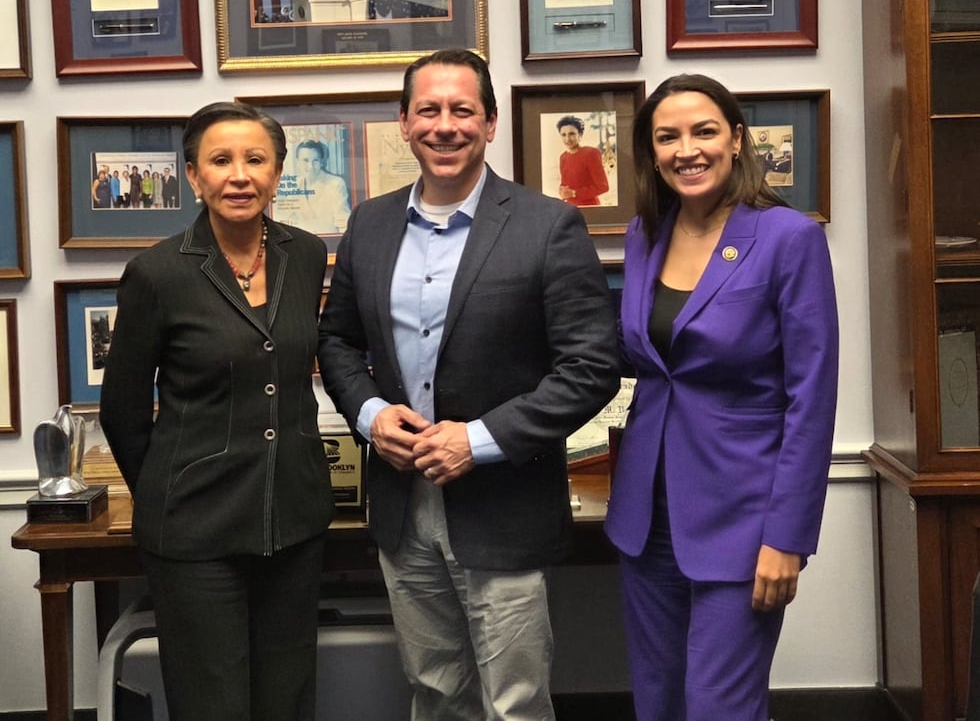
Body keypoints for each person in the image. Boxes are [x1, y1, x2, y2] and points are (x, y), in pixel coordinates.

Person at [318, 48, 620, 721]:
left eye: (462, 110)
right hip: (402, 507)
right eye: (428, 110)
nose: (444, 125)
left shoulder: (548, 225)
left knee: (514, 704)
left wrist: (478, 440)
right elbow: (336, 341)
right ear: (404, 122)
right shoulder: (369, 224)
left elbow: (592, 366)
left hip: (503, 507)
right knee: (434, 693)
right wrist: (370, 416)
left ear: (490, 124)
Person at [604, 74, 839, 721]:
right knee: (660, 704)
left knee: (719, 709)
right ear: (652, 154)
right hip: (645, 516)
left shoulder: (788, 238)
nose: (688, 149)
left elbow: (811, 399)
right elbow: (644, 362)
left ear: (736, 139)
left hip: (742, 519)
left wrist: (787, 537)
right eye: (667, 136)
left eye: (704, 131)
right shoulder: (643, 236)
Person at [99, 102, 335, 721]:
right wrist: (169, 492)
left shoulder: (306, 256)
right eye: (221, 160)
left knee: (288, 700)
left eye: (255, 160)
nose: (239, 175)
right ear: (195, 177)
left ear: (277, 173)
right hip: (194, 531)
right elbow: (123, 411)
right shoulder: (155, 273)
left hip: (294, 517)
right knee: (214, 704)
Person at [286, 139, 351, 235]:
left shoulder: (335, 184)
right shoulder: (292, 185)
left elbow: (343, 223)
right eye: (306, 160)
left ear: (321, 162)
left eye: (315, 160)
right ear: (298, 162)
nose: (311, 166)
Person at [556, 114, 609, 206]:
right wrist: (562, 191)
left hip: (589, 207)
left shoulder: (591, 153)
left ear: (580, 134)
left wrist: (574, 193)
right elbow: (565, 184)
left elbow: (603, 186)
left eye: (571, 134)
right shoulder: (563, 157)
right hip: (570, 208)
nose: (567, 139)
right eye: (563, 135)